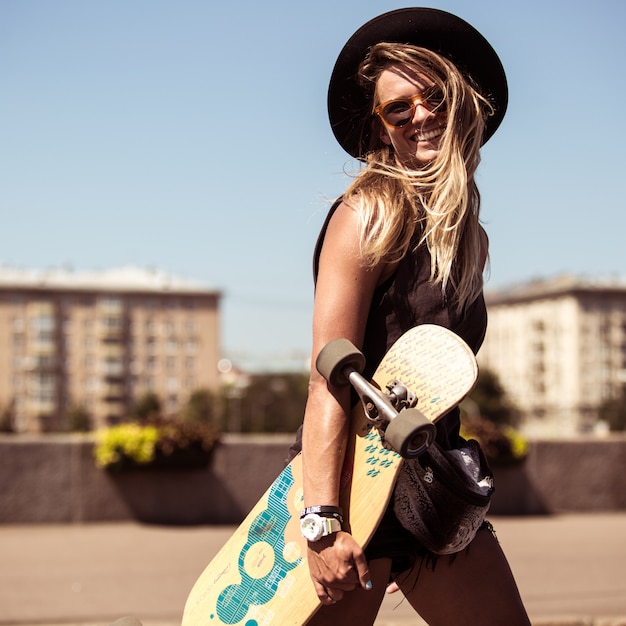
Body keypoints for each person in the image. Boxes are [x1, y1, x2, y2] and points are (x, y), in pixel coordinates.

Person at [286, 7, 531, 626]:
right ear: (381, 129)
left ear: (463, 100)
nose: (419, 115)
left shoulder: (462, 232)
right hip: (353, 495)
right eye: (398, 108)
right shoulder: (370, 211)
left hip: (430, 493)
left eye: (435, 96)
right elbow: (329, 374)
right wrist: (322, 523)